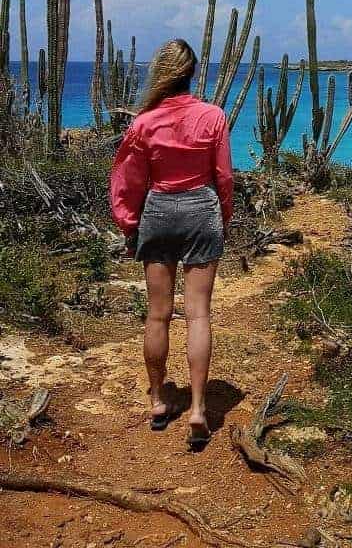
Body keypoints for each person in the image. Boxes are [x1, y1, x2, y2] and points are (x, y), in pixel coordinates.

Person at [110, 39, 233, 449]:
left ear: (160, 72)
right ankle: (197, 409)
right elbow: (224, 176)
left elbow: (128, 180)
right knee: (198, 314)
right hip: (201, 209)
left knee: (158, 315)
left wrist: (129, 225)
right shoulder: (213, 116)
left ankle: (159, 402)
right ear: (192, 73)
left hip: (159, 210)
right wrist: (222, 218)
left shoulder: (144, 123)